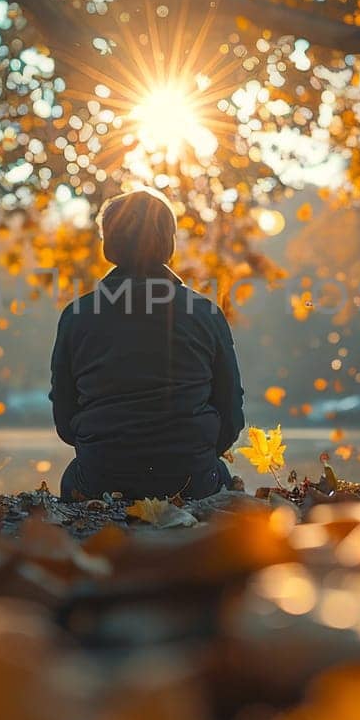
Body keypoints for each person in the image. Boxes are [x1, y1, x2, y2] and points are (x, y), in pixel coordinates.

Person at [50, 188, 245, 501]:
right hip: (191, 479)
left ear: (108, 245)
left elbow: (65, 417)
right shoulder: (206, 314)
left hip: (101, 480)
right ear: (169, 242)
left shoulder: (77, 316)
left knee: (73, 479)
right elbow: (231, 413)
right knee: (221, 477)